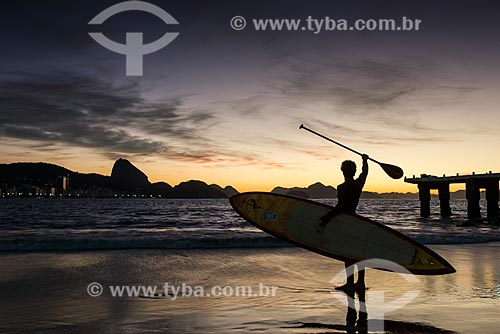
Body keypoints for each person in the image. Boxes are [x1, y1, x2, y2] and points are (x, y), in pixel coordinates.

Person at [319, 154, 369, 291]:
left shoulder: (342, 187)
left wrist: (327, 218)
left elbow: (340, 206)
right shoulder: (358, 184)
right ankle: (360, 283)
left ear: (342, 171)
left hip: (346, 222)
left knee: (347, 254)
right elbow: (365, 173)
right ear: (353, 171)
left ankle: (350, 283)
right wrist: (365, 160)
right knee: (358, 253)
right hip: (356, 221)